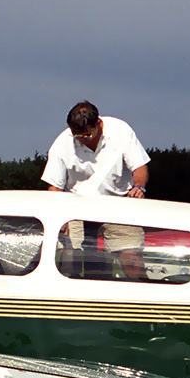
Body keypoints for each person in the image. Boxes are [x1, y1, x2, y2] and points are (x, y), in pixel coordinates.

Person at [41, 102, 151, 279]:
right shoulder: (61, 143)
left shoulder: (121, 130)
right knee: (69, 259)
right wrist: (60, 217)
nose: (82, 139)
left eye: (86, 135)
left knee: (132, 259)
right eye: (77, 136)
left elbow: (139, 166)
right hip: (75, 207)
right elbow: (55, 186)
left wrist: (139, 187)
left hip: (119, 202)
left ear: (99, 123)